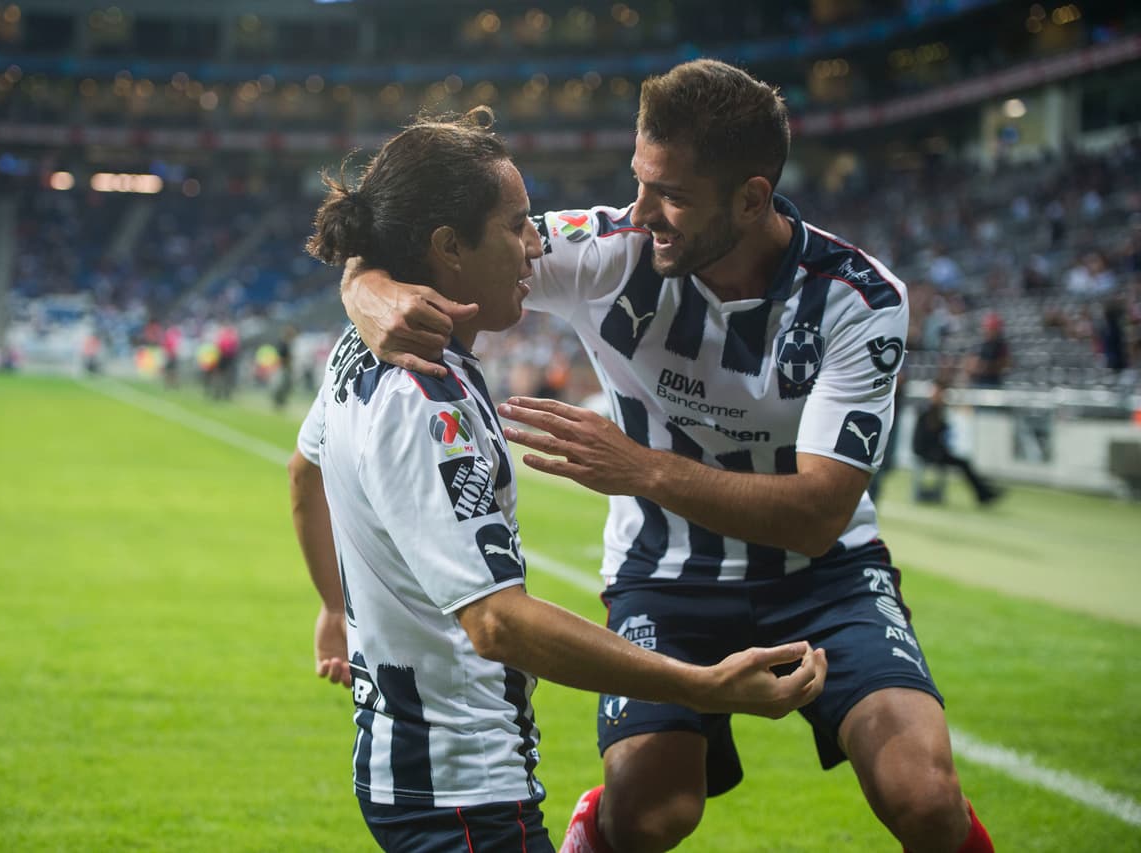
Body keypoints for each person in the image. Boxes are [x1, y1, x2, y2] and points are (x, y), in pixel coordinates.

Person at [343, 60, 993, 853]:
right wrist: (363, 287)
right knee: (655, 814)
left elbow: (821, 513)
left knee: (924, 796)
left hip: (826, 579)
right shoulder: (611, 248)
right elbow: (424, 245)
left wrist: (639, 467)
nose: (641, 212)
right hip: (665, 577)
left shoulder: (859, 299)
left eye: (672, 195)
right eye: (639, 181)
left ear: (752, 197)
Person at [288, 106, 828, 853]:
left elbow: (303, 471)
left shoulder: (364, 344)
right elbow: (498, 622)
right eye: (515, 227)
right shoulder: (427, 400)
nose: (536, 245)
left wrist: (330, 603)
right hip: (460, 791)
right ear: (448, 248)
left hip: (412, 771)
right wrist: (703, 687)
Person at [912, 380, 1002, 505]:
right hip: (928, 452)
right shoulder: (927, 411)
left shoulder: (938, 411)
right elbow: (925, 438)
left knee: (964, 463)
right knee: (963, 463)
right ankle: (983, 493)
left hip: (937, 451)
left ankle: (984, 492)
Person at [965, 312, 1009, 388]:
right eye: (989, 329)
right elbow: (969, 364)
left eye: (993, 329)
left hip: (993, 383)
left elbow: (1006, 364)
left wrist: (987, 367)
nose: (990, 332)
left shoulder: (1000, 345)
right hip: (976, 383)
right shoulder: (977, 344)